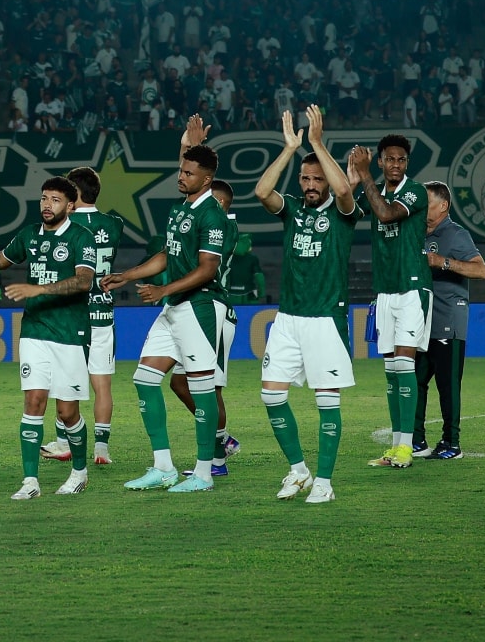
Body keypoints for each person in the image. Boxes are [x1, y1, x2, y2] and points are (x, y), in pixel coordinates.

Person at [0, 176, 98, 499]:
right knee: (33, 402)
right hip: (34, 331)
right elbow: (1, 259)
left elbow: (84, 282)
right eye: (44, 198)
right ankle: (31, 481)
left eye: (55, 200)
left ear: (70, 205)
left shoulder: (82, 238)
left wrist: (38, 289)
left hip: (70, 333)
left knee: (67, 412)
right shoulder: (30, 235)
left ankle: (80, 472)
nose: (47, 205)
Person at [99, 139, 236, 494]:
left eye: (189, 173)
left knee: (202, 389)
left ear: (206, 180)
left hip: (201, 307)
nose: (181, 176)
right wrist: (128, 275)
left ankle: (205, 472)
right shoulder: (181, 210)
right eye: (180, 170)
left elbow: (208, 269)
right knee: (145, 379)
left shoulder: (213, 216)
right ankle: (163, 467)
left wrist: (162, 289)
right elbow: (167, 253)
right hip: (174, 307)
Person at [252, 105, 362, 504]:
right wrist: (289, 149)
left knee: (326, 400)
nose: (311, 184)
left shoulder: (344, 213)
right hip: (288, 319)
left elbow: (346, 191)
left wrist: (317, 142)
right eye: (306, 178)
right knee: (271, 395)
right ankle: (298, 470)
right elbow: (263, 192)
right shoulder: (294, 210)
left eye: (318, 178)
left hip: (325, 321)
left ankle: (325, 481)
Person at [348, 134, 432, 470]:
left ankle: (407, 447)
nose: (395, 165)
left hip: (411, 287)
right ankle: (396, 447)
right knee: (391, 371)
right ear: (381, 161)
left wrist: (365, 175)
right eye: (389, 159)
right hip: (384, 290)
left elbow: (385, 216)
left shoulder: (415, 191)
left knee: (404, 365)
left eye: (401, 159)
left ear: (406, 163)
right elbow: (350, 213)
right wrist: (352, 178)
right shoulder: (374, 190)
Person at [38, 166, 123, 467]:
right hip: (103, 311)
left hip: (73, 314)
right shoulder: (114, 223)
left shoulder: (65, 226)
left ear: (71, 196)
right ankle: (102, 448)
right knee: (102, 384)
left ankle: (64, 443)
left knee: (63, 381)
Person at [412, 181, 485, 460]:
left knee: (447, 385)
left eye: (427, 203)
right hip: (420, 323)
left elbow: (481, 270)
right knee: (416, 381)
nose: (420, 208)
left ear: (443, 206)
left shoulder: (456, 234)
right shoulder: (416, 232)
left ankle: (451, 443)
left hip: (448, 321)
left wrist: (443, 262)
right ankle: (416, 440)